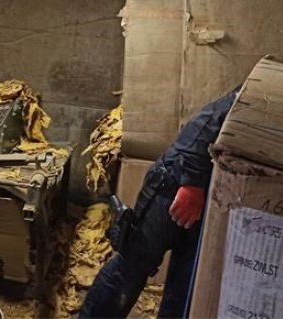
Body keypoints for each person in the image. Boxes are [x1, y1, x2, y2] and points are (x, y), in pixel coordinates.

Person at [79, 88, 239, 318]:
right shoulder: (263, 93)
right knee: (132, 265)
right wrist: (191, 182)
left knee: (186, 285)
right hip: (177, 183)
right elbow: (206, 123)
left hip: (212, 201)